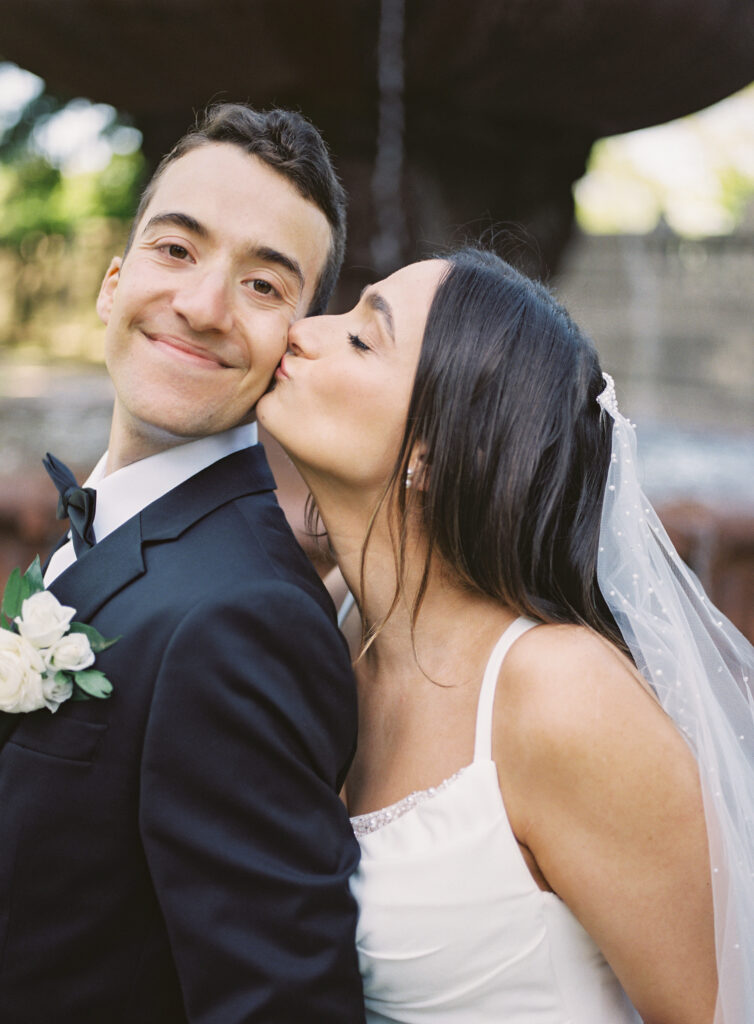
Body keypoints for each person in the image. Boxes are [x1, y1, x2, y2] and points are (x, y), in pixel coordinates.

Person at [257, 247, 754, 1023]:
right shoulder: (338, 619)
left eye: (361, 338)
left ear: (435, 452)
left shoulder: (560, 695)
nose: (301, 330)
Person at [0, 104, 365, 1023]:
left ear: (293, 349)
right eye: (176, 249)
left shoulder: (249, 620)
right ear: (112, 283)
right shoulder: (111, 523)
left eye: (263, 285)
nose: (202, 307)